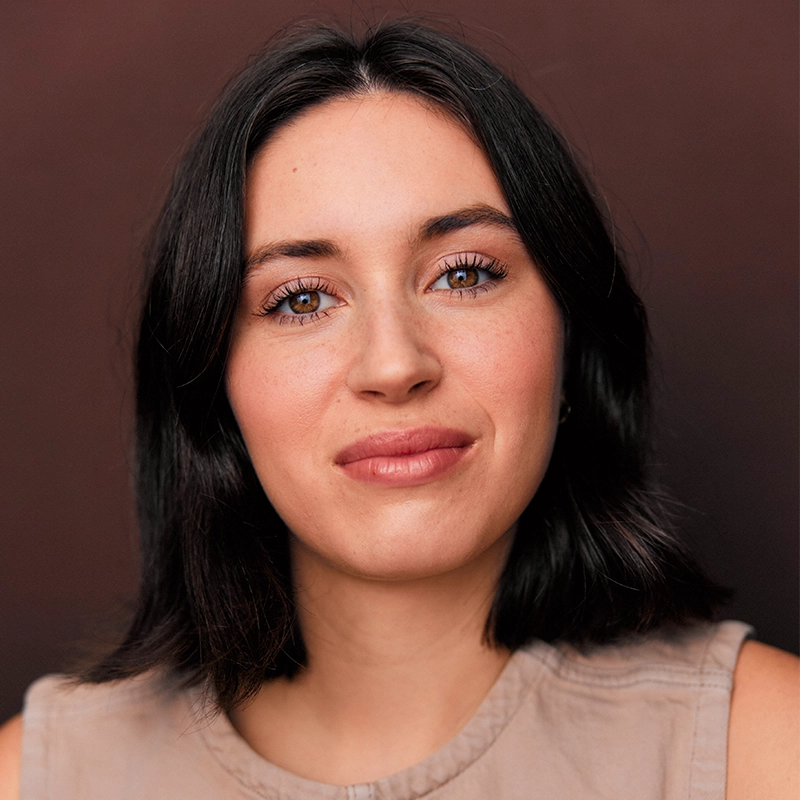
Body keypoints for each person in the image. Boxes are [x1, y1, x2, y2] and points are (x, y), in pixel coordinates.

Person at [0, 19, 796, 799]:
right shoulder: (40, 779)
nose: (393, 365)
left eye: (464, 274)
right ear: (214, 387)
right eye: (301, 298)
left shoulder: (763, 751)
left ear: (572, 338)